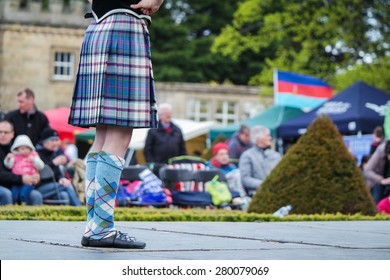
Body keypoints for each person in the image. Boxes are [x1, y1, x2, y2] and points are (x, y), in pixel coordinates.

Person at [68, 0, 164, 249]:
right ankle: (100, 229)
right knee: (120, 133)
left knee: (103, 136)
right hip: (124, 26)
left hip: (98, 28)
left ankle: (94, 226)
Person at [0, 120, 43, 205]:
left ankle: (33, 218)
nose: (2, 135)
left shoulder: (20, 147)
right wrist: (22, 179)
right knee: (7, 194)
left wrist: (35, 177)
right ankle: (9, 217)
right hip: (5, 185)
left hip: (18, 184)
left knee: (36, 195)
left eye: (6, 132)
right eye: (0, 132)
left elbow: (36, 165)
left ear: (12, 134)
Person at [36, 128, 82, 207]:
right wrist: (53, 163)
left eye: (57, 140)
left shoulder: (53, 153)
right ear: (44, 142)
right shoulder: (37, 154)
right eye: (52, 140)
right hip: (39, 186)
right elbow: (40, 173)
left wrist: (61, 178)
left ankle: (69, 216)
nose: (56, 143)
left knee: (64, 195)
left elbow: (57, 174)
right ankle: (79, 208)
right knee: (66, 186)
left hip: (54, 186)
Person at [239, 125, 282, 196]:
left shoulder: (275, 155)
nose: (270, 138)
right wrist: (265, 184)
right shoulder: (247, 156)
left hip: (277, 193)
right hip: (257, 195)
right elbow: (245, 179)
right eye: (267, 136)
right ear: (259, 138)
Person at [364, 140, 390, 204]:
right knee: (377, 200)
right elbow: (367, 170)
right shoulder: (380, 151)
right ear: (387, 153)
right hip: (376, 182)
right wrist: (381, 180)